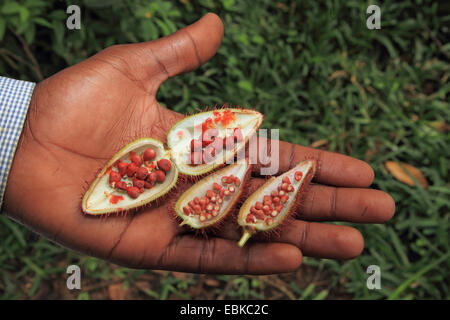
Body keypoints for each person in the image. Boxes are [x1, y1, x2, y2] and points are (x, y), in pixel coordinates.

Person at [0, 13, 395, 274]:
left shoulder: (178, 164)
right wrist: (26, 135)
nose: (132, 175)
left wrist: (23, 134)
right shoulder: (170, 166)